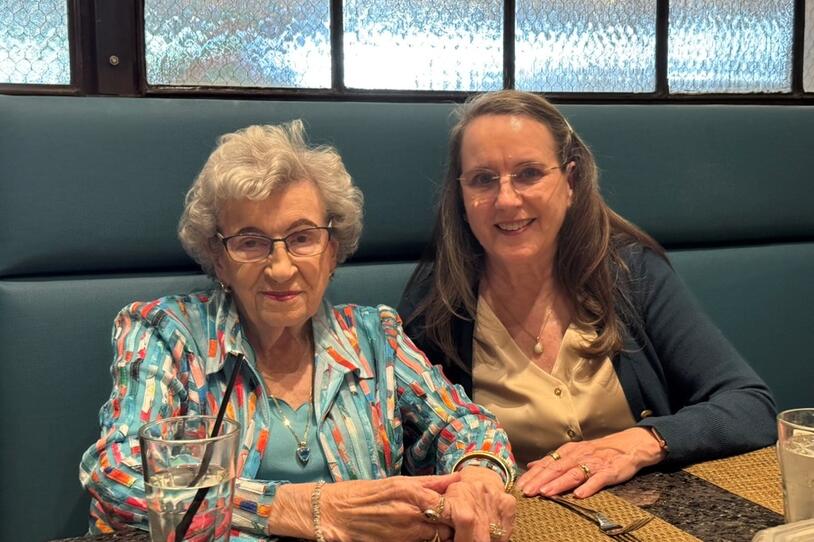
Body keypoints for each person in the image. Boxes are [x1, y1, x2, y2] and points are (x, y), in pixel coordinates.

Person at [80, 121, 517, 542]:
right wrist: (306, 508)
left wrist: (476, 479)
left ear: (332, 250)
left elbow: (467, 424)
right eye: (250, 242)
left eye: (302, 238)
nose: (281, 268)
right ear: (219, 260)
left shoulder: (375, 337)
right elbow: (116, 473)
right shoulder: (166, 333)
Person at [398, 90, 777, 500]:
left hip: (648, 514)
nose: (506, 199)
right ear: (461, 196)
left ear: (571, 182)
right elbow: (403, 453)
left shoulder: (632, 274)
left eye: (529, 173)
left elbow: (751, 406)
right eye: (483, 179)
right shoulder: (434, 306)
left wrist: (642, 443)